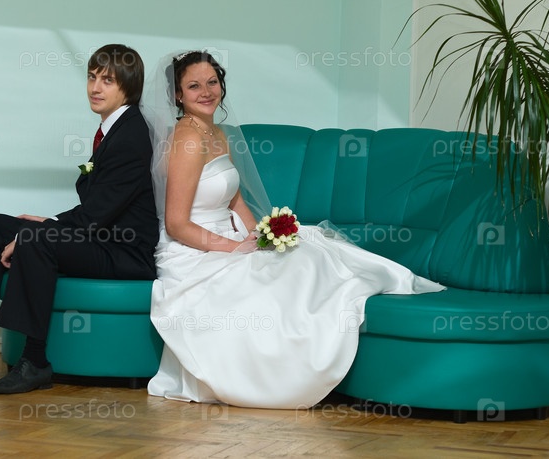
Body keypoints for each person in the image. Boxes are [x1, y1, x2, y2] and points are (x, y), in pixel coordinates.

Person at [142, 51, 445, 409]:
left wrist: (262, 234)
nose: (206, 92)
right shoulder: (188, 139)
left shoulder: (216, 133)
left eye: (212, 82)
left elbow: (234, 200)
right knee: (288, 276)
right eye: (194, 86)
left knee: (305, 248)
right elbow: (177, 224)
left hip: (230, 238)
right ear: (178, 95)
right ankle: (291, 375)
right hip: (194, 251)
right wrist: (232, 248)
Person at [0, 44, 159, 394]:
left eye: (107, 80)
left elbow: (96, 216)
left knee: (35, 237)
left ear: (128, 86)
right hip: (100, 237)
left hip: (123, 252)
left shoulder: (131, 135)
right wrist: (47, 221)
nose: (95, 87)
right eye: (92, 77)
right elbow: (100, 207)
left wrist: (43, 228)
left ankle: (35, 361)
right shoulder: (113, 129)